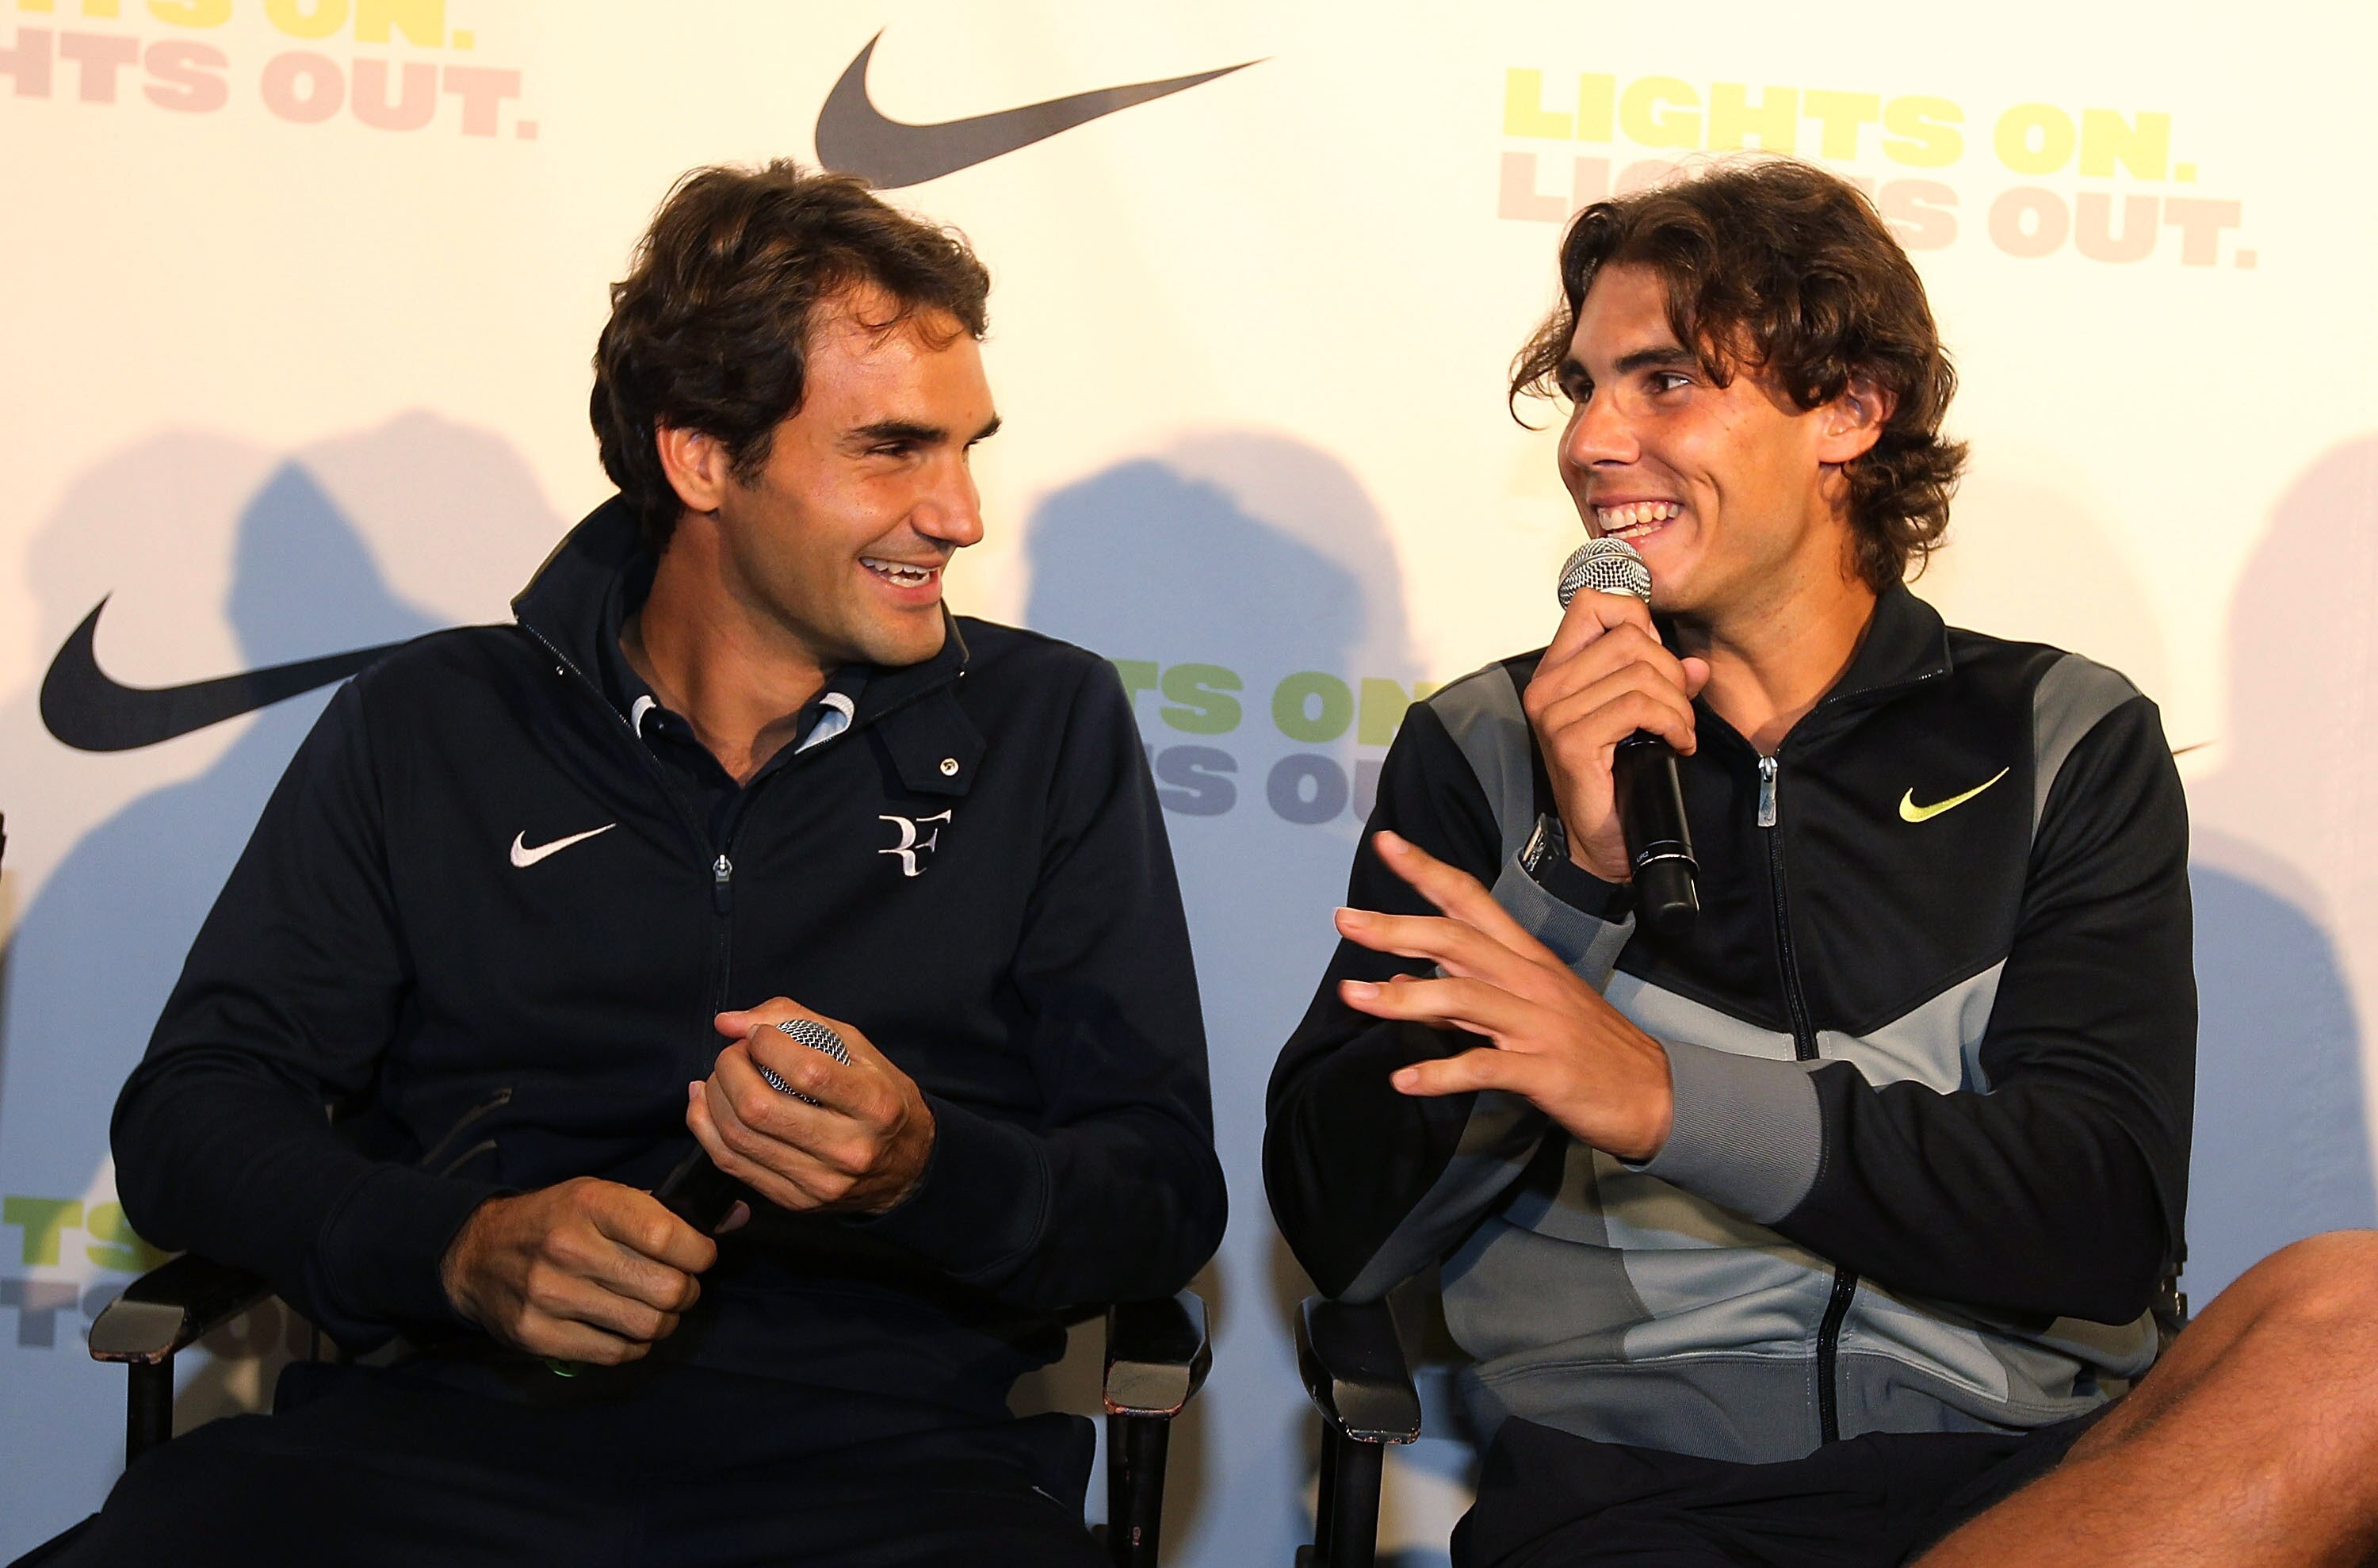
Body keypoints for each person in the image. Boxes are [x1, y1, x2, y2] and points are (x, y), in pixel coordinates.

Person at [43, 161, 1225, 1567]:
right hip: (428, 1453)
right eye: (892, 450)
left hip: (891, 1477)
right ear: (703, 458)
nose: (961, 512)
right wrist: (457, 1247)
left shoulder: (1046, 724)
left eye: (968, 448)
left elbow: (1161, 1189)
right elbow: (190, 1117)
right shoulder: (431, 722)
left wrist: (926, 1166)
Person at [1264, 156, 2378, 1567]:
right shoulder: (1488, 743)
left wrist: (1662, 1096)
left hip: (2031, 1485)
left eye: (1666, 381)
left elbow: (2099, 1212)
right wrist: (1571, 883)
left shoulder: (2060, 731)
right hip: (1646, 1492)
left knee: (2357, 1313)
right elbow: (1350, 1232)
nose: (1593, 439)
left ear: (1851, 409)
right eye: (1585, 387)